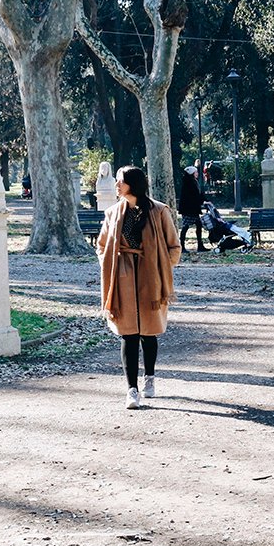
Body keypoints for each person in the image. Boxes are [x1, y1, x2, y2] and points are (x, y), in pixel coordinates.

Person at [96, 166, 181, 410]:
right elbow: (102, 245)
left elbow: (174, 246)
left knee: (149, 332)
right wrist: (110, 263)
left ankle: (150, 377)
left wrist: (162, 267)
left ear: (133, 183)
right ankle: (131, 390)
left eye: (120, 181)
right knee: (128, 333)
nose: (116, 185)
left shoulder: (158, 210)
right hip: (121, 276)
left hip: (151, 276)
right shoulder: (112, 213)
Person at [177, 165, 207, 253]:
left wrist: (205, 200)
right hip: (189, 209)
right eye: (196, 172)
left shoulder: (193, 182)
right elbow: (194, 196)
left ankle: (200, 245)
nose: (197, 174)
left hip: (192, 209)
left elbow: (199, 194)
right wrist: (203, 201)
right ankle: (182, 246)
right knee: (185, 226)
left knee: (198, 225)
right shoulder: (189, 183)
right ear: (192, 173)